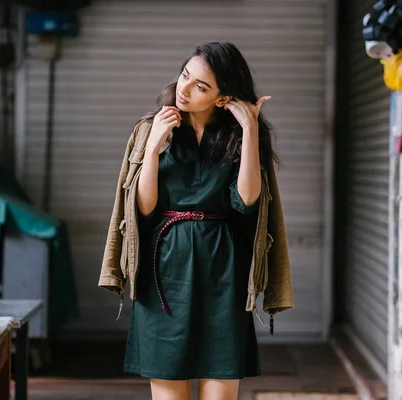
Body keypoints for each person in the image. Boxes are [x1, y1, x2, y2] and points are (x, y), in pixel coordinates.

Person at [99, 41, 293, 400]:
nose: (183, 89)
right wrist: (154, 149)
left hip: (223, 273)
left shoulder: (241, 134)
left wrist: (250, 131)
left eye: (200, 86)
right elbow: (143, 208)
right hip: (163, 273)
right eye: (185, 76)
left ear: (223, 98)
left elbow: (247, 201)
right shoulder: (151, 127)